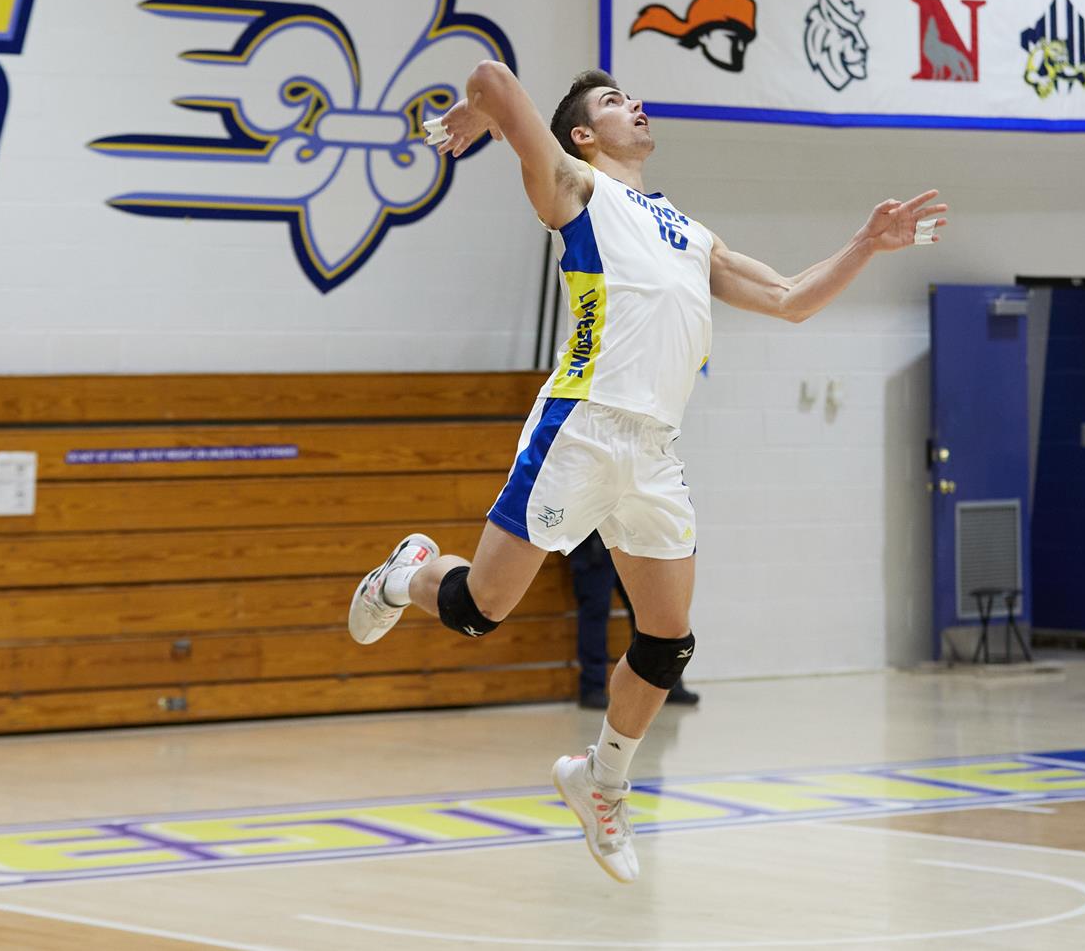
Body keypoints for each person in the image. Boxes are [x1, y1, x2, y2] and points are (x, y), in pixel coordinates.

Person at [346, 63, 947, 884]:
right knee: (480, 608)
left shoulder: (691, 234)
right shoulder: (574, 187)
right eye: (610, 101)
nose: (634, 102)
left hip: (655, 448)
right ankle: (409, 573)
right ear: (584, 135)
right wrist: (479, 115)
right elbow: (491, 73)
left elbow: (792, 299)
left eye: (630, 96)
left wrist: (865, 244)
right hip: (581, 427)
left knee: (668, 640)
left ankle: (598, 780)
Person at [569, 534, 700, 710]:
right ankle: (592, 686)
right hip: (594, 541)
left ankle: (665, 683)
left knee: (653, 612)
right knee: (595, 613)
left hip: (632, 538)